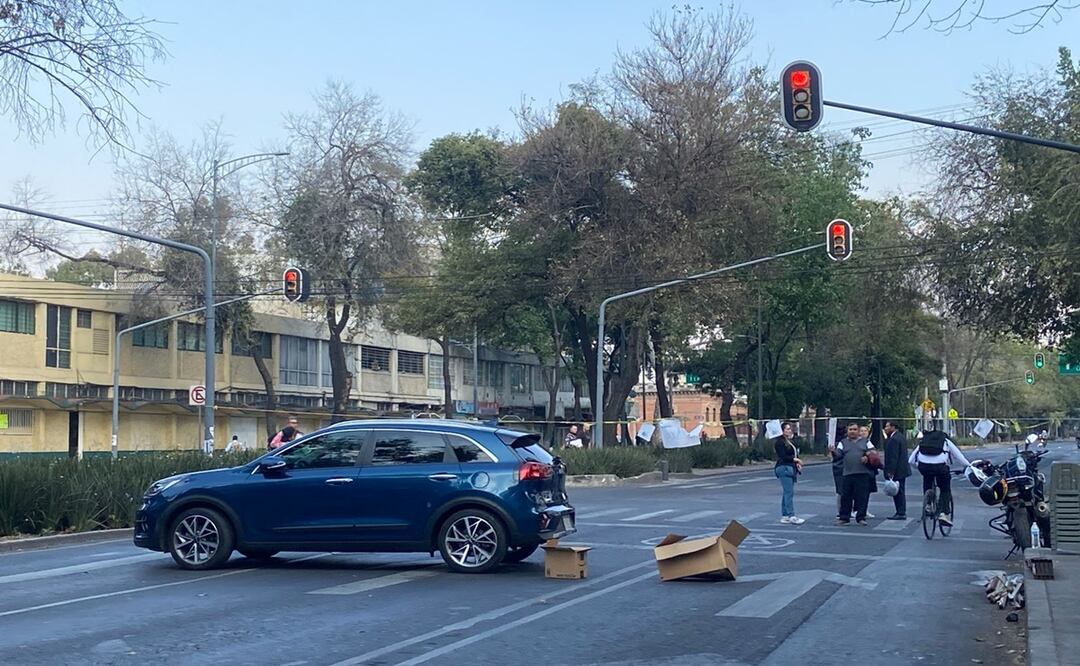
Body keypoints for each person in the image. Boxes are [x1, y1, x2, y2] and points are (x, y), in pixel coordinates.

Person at [908, 426, 973, 526]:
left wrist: (918, 467)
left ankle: (928, 504)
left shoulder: (924, 441)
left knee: (927, 479)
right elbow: (959, 456)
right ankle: (943, 513)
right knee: (945, 488)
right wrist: (968, 466)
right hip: (940, 467)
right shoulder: (946, 441)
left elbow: (911, 460)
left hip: (924, 467)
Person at [835, 422, 875, 526]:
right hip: (847, 473)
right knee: (846, 497)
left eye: (854, 429)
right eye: (850, 430)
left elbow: (873, 451)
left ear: (858, 431)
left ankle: (861, 517)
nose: (852, 431)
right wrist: (832, 452)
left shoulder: (865, 442)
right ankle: (844, 517)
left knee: (862, 497)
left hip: (863, 473)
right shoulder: (842, 442)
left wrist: (867, 456)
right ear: (847, 431)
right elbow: (838, 455)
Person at [773, 421, 805, 525]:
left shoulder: (788, 441)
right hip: (784, 468)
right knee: (789, 492)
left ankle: (785, 515)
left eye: (790, 429)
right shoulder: (780, 442)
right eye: (787, 429)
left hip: (789, 468)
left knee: (786, 492)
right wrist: (795, 460)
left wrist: (797, 463)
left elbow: (794, 454)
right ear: (781, 431)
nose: (789, 430)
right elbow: (783, 456)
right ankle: (791, 515)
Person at [882, 420, 911, 520]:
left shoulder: (894, 439)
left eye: (887, 426)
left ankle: (900, 512)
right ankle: (901, 511)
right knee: (900, 491)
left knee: (898, 492)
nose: (885, 429)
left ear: (893, 427)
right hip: (902, 469)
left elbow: (893, 457)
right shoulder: (901, 437)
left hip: (897, 470)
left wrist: (890, 472)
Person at [859, 424, 877, 519]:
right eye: (861, 431)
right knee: (859, 492)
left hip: (869, 470)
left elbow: (874, 453)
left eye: (865, 431)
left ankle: (864, 510)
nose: (863, 433)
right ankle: (857, 510)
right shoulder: (856, 442)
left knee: (866, 492)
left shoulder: (868, 442)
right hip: (860, 470)